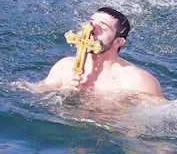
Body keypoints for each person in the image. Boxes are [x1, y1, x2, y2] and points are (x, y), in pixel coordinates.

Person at [37, 6, 166, 105]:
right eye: (91, 23)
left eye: (103, 29)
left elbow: (162, 117)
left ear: (118, 42)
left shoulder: (137, 81)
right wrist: (61, 92)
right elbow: (34, 93)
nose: (91, 30)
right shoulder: (64, 67)